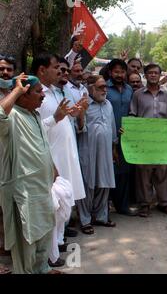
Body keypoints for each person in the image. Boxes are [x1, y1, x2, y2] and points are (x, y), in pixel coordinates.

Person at [0, 74, 66, 274]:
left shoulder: (34, 115)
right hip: (23, 195)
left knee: (43, 237)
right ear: (23, 94)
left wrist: (52, 166)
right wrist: (16, 90)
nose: (43, 96)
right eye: (38, 92)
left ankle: (43, 269)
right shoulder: (12, 116)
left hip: (41, 191)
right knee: (26, 245)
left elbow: (41, 143)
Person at [32, 53, 88, 266]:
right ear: (41, 70)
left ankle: (58, 239)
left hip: (64, 153)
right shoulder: (35, 93)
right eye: (56, 67)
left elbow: (60, 116)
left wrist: (74, 112)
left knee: (63, 199)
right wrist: (56, 117)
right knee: (53, 204)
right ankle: (51, 254)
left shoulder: (54, 91)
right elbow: (35, 127)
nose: (59, 71)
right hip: (51, 156)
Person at [129, 63, 167, 217]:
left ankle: (165, 203)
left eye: (156, 73)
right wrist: (129, 127)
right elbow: (132, 114)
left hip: (162, 142)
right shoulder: (137, 94)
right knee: (144, 173)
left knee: (163, 172)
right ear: (145, 75)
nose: (153, 75)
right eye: (149, 73)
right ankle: (145, 204)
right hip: (144, 142)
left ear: (160, 75)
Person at [77, 75, 118, 235]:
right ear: (91, 88)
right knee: (88, 184)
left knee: (104, 183)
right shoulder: (85, 104)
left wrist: (114, 148)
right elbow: (79, 128)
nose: (104, 90)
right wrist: (81, 112)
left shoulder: (108, 104)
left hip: (106, 151)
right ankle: (85, 220)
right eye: (101, 87)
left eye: (105, 87)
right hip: (88, 151)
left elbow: (112, 127)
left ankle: (101, 216)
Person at [106, 59, 134, 216]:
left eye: (122, 72)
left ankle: (122, 206)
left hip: (126, 138)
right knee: (108, 171)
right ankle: (105, 206)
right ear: (110, 72)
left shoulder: (130, 89)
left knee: (123, 172)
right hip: (107, 138)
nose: (119, 75)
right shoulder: (105, 89)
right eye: (116, 72)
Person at [0, 54, 15, 274]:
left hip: (9, 159)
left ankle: (5, 248)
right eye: (1, 69)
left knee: (5, 208)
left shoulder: (14, 94)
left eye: (9, 70)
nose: (4, 73)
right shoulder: (12, 96)